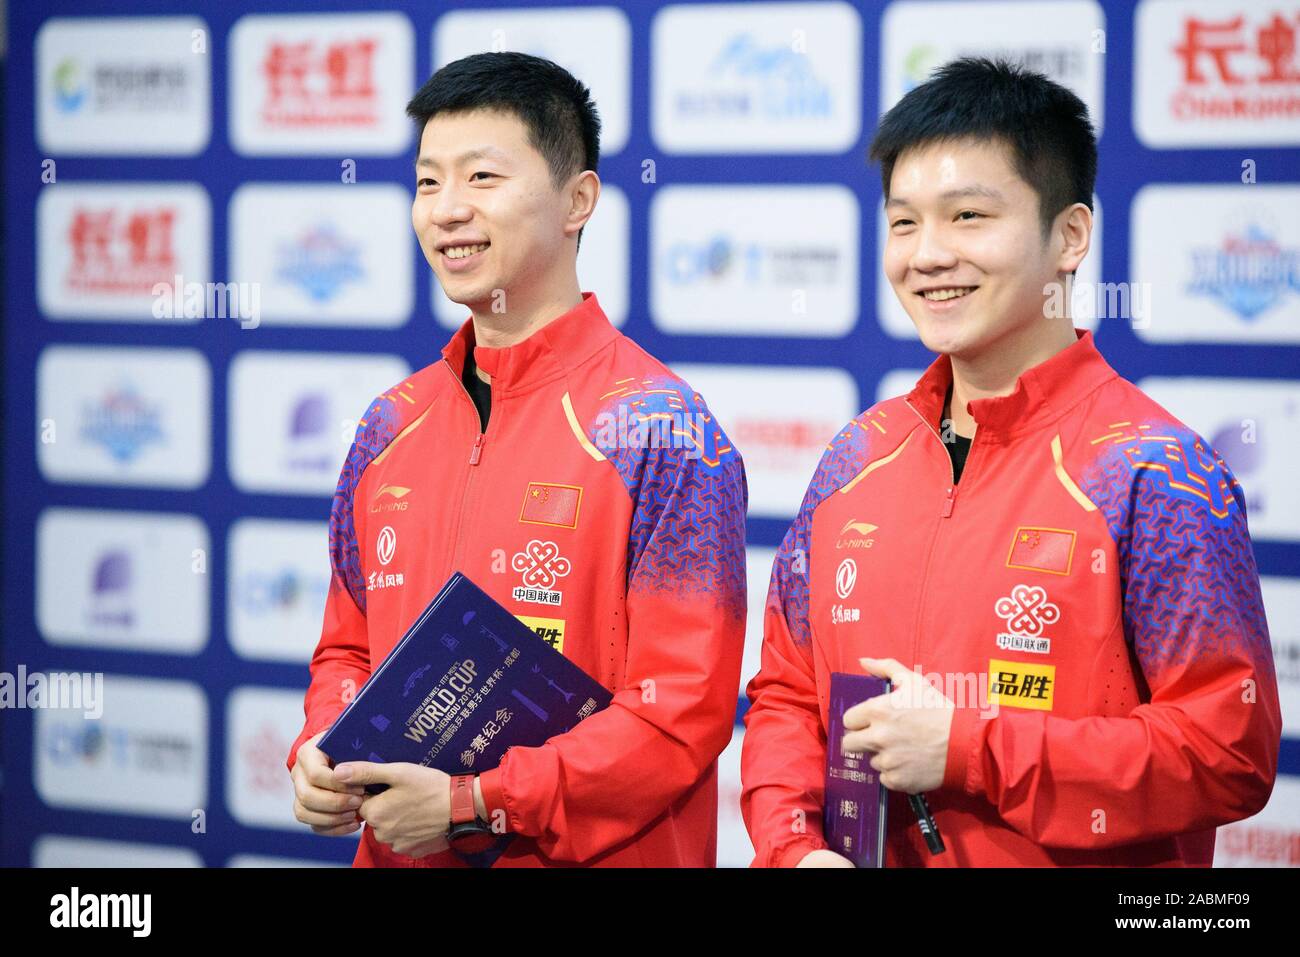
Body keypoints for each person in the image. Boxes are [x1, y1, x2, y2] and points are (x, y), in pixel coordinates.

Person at [740, 57, 1281, 867]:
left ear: (1069, 236)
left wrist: (972, 747)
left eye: (967, 217)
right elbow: (787, 690)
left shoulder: (1153, 472)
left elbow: (1227, 752)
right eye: (903, 222)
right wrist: (793, 845)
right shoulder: (858, 455)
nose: (927, 255)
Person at [286, 52, 748, 867]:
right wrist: (322, 743)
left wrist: (476, 804)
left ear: (578, 200)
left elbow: (681, 715)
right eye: (428, 183)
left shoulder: (663, 430)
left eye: (482, 177)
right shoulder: (389, 424)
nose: (447, 211)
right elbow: (349, 649)